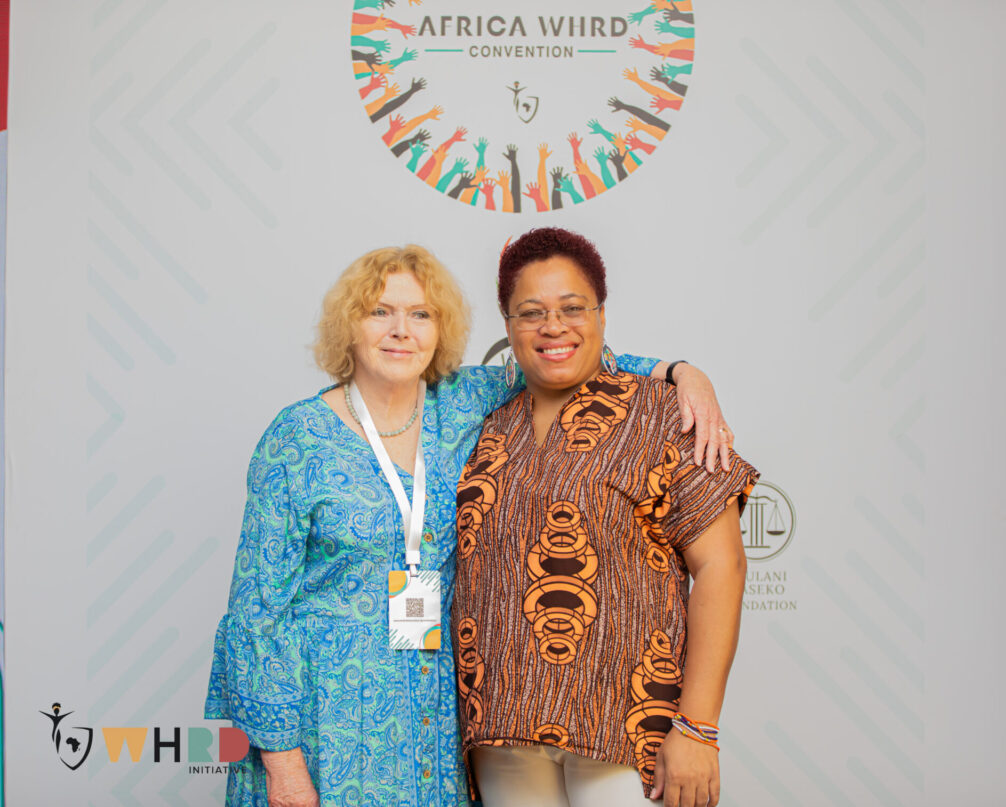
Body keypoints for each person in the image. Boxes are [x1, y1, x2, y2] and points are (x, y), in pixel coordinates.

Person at [204, 244, 733, 807]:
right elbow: (255, 616)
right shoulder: (297, 438)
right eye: (380, 311)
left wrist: (679, 372)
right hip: (323, 724)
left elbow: (560, 351)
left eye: (421, 314)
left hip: (432, 721)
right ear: (348, 326)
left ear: (442, 331)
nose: (401, 330)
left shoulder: (462, 403)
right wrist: (282, 764)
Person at [452, 228, 759, 807]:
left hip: (624, 729)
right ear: (507, 322)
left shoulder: (665, 413)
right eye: (530, 312)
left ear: (601, 313)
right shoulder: (486, 429)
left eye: (573, 308)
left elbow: (723, 567)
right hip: (502, 730)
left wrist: (698, 727)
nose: (554, 327)